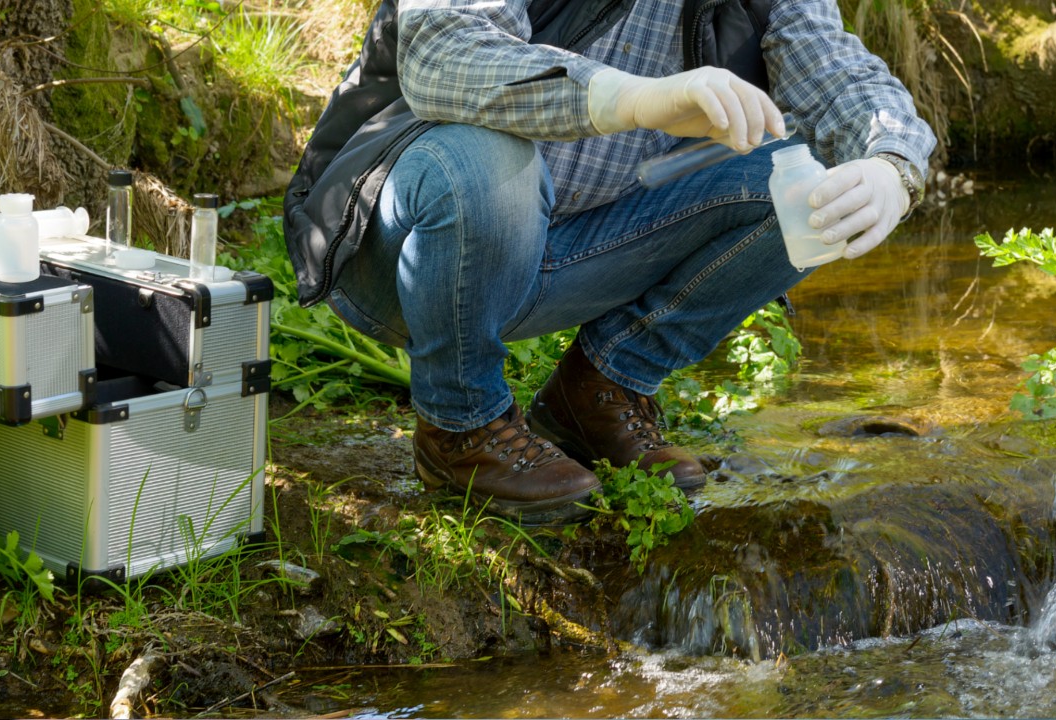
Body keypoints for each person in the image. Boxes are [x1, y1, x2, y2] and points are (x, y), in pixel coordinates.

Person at [283, 0, 937, 524]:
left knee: (804, 184)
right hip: (401, 240)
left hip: (580, 251)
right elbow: (442, 54)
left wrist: (891, 163)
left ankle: (600, 392)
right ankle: (461, 424)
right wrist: (629, 98)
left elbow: (839, 73)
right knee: (487, 158)